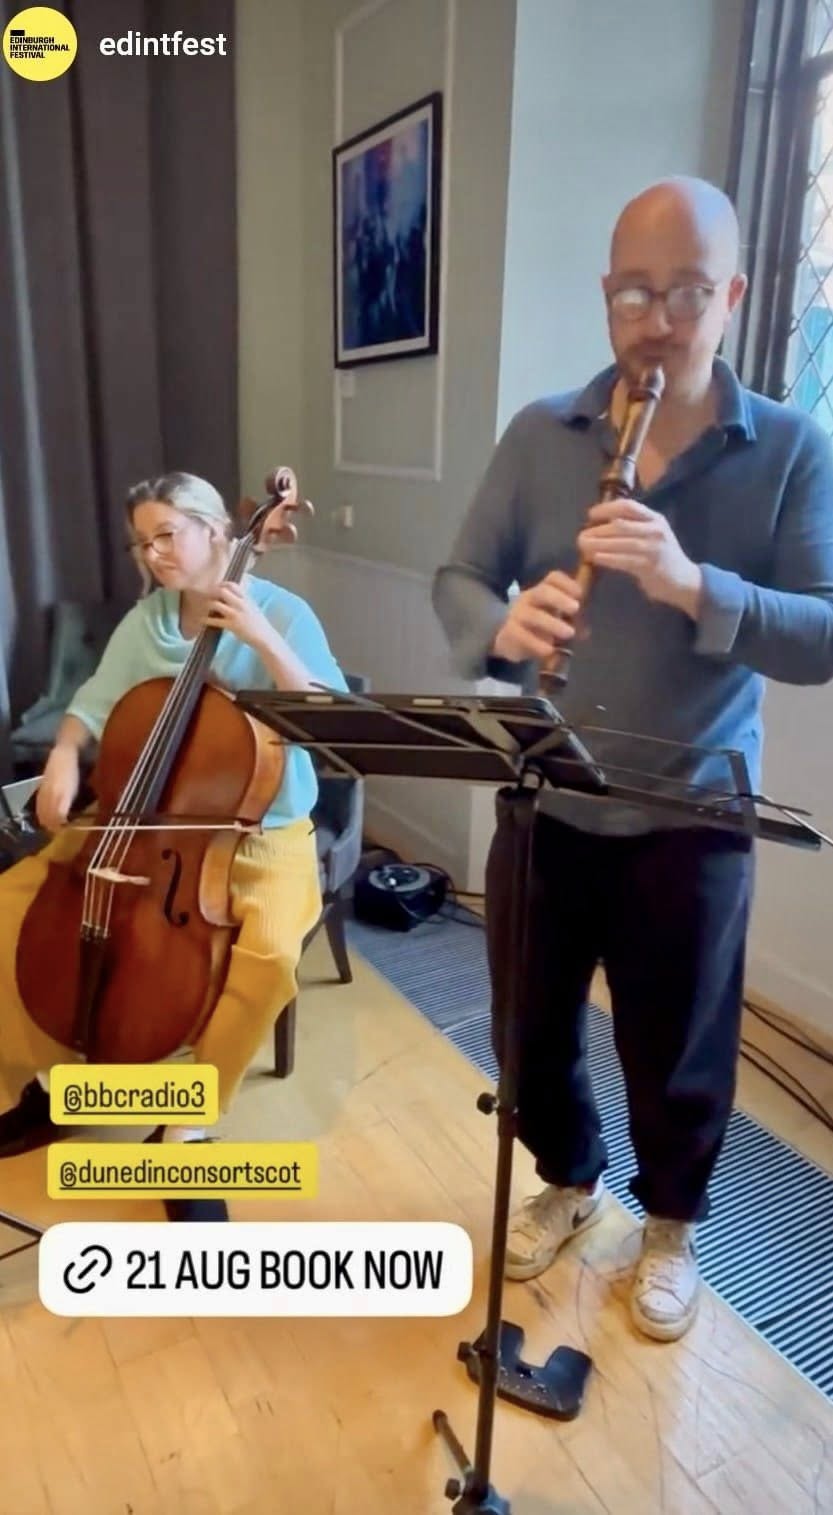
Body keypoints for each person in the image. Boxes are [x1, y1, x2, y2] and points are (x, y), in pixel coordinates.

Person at [433, 176, 833, 1340]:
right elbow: (459, 579)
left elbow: (820, 634)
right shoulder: (540, 432)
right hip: (546, 785)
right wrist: (502, 626)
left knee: (675, 1039)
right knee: (527, 1024)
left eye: (687, 293)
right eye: (633, 294)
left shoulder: (792, 448)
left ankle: (668, 1224)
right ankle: (567, 1179)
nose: (657, 321)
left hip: (691, 803)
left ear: (733, 296)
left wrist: (691, 583)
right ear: (605, 294)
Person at [0, 471, 347, 1220]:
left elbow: (330, 721)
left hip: (262, 830)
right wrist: (65, 754)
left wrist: (259, 637)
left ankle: (185, 1126)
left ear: (217, 529)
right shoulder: (148, 621)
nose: (152, 554)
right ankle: (55, 1089)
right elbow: (93, 703)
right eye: (141, 542)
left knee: (271, 956)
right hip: (140, 819)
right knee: (11, 908)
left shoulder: (284, 614)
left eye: (166, 535)